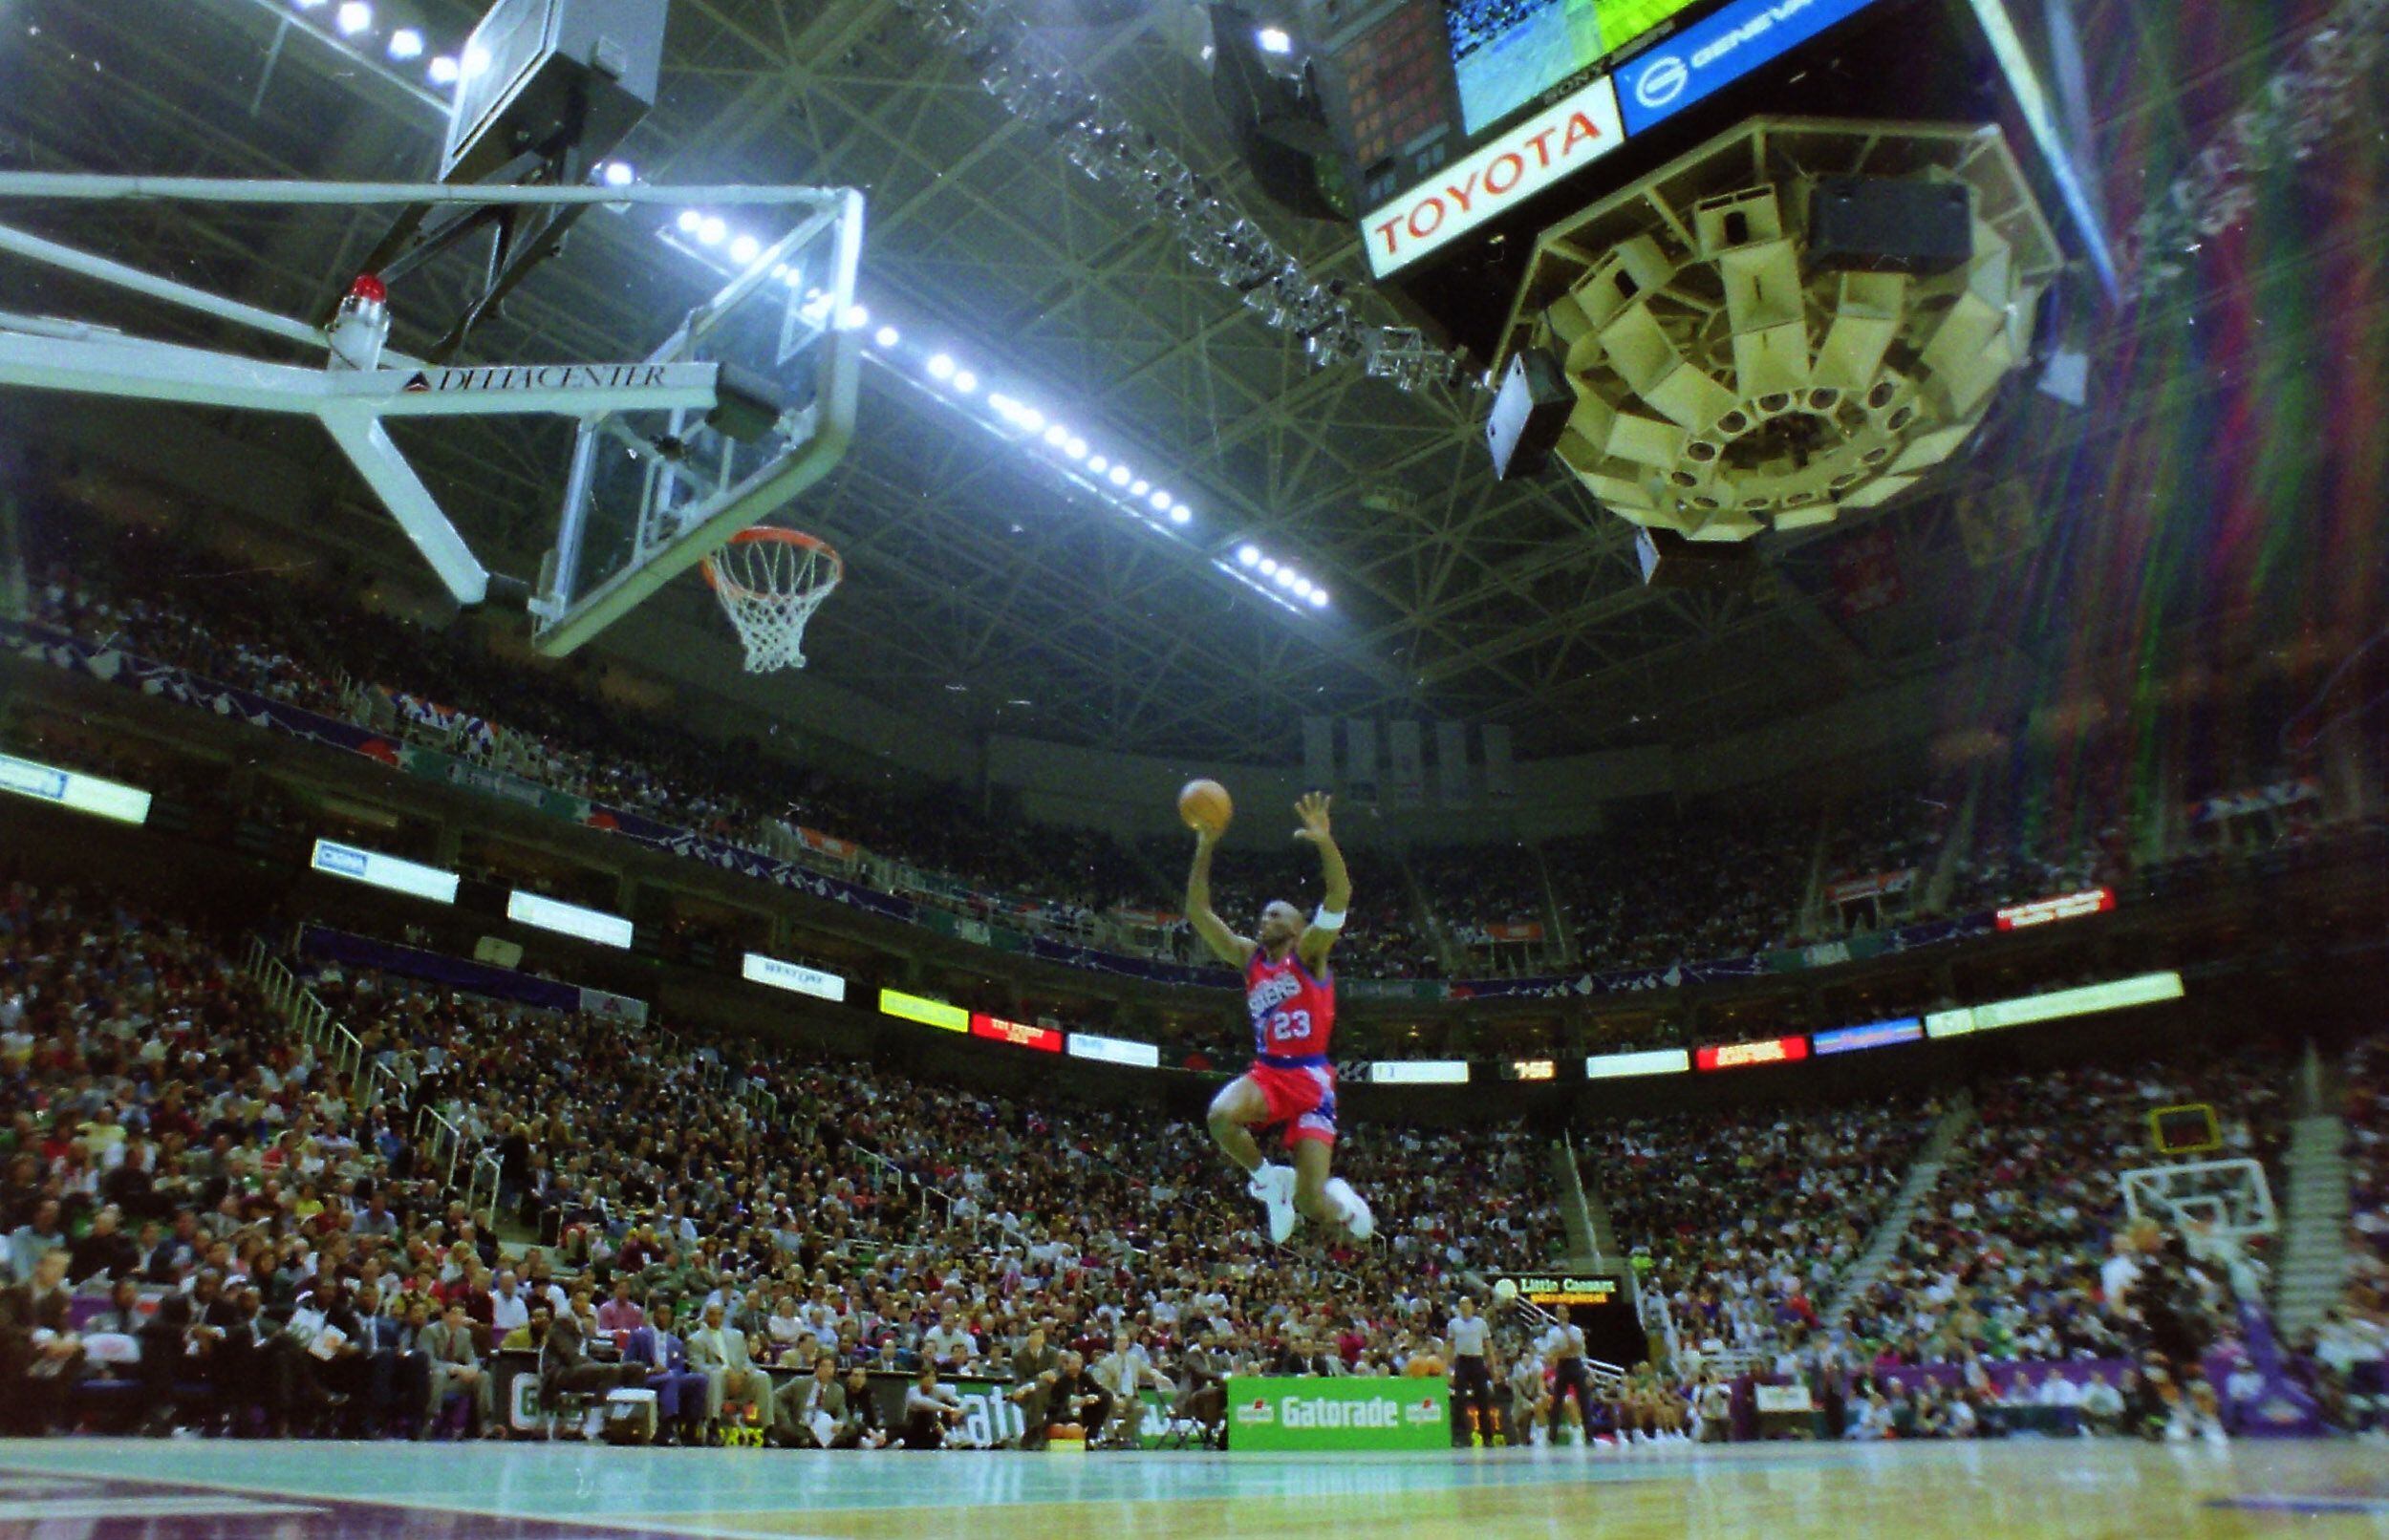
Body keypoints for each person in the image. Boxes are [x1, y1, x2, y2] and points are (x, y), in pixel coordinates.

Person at [1185, 791, 1372, 1244]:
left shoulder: (1310, 954)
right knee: (1219, 1117)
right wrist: (1206, 844)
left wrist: (1325, 841)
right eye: (1262, 914)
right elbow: (1198, 912)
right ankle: (1269, 1181)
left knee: (1313, 1202)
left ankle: (1344, 1208)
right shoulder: (1249, 958)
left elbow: (1339, 895)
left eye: (1274, 914)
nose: (1262, 919)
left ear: (1296, 926)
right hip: (1270, 1071)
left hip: (1310, 1079)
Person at [1540, 1303, 1595, 1444]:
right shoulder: (1552, 1332)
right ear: (1556, 1315)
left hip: (1575, 1364)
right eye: (1558, 1312)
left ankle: (1589, 1437)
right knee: (1557, 1401)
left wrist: (1566, 1337)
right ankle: (1552, 1437)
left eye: (1564, 1312)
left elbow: (1577, 1349)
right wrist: (1566, 1350)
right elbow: (1551, 1354)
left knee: (1584, 1400)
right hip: (1562, 1365)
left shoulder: (1576, 1330)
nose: (1561, 1315)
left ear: (1568, 1314)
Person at [1448, 1295, 1497, 1446]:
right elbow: (1449, 1344)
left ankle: (1487, 1436)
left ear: (1472, 1306)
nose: (1464, 1306)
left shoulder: (1480, 1323)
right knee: (1459, 1399)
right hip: (1461, 1361)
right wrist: (1448, 1366)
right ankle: (1460, 1436)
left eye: (1467, 1303)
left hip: (1477, 1361)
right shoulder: (1454, 1323)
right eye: (1461, 1303)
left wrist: (1493, 1365)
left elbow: (1488, 1345)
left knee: (1482, 1399)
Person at [777, 1355, 847, 1447]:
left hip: (820, 1428)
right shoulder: (800, 1382)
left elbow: (843, 1412)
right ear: (816, 1368)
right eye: (823, 1366)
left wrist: (840, 1422)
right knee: (787, 1429)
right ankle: (805, 1441)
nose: (827, 1369)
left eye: (831, 1366)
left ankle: (812, 1442)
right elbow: (776, 1396)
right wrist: (784, 1416)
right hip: (799, 1425)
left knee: (851, 1429)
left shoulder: (838, 1390)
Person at [903, 1361, 967, 1448]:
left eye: (932, 1376)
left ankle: (962, 1436)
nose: (930, 1379)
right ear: (920, 1379)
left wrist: (959, 1411)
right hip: (913, 1429)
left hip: (933, 1430)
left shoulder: (940, 1389)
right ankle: (948, 1439)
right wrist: (948, 1408)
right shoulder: (913, 1391)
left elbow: (962, 1401)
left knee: (955, 1407)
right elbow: (922, 1402)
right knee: (929, 1410)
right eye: (927, 1376)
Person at [839, 1365, 893, 1449]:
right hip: (855, 1430)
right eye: (856, 1375)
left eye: (862, 1376)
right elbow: (850, 1418)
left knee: (897, 1428)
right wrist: (868, 1431)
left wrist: (881, 1431)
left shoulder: (869, 1394)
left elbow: (878, 1413)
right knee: (853, 1430)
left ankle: (883, 1444)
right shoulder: (842, 1393)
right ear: (848, 1378)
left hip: (871, 1431)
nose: (859, 1379)